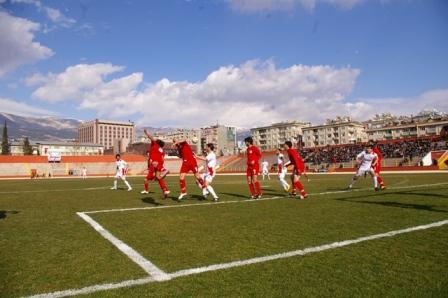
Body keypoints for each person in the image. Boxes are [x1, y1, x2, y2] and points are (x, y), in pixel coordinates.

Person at [141, 129, 170, 198]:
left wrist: (146, 132)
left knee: (157, 177)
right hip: (158, 163)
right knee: (158, 177)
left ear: (157, 142)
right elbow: (162, 158)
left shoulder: (155, 144)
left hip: (155, 163)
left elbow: (151, 137)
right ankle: (165, 190)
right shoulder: (161, 150)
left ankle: (164, 171)